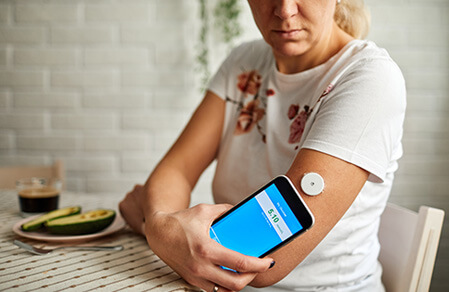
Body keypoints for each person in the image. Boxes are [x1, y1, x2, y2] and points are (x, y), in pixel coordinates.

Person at [119, 0, 406, 291]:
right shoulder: (245, 61)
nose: (284, 10)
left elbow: (265, 260)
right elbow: (177, 169)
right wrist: (160, 226)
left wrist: (152, 225)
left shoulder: (369, 79)